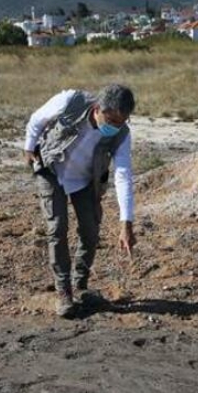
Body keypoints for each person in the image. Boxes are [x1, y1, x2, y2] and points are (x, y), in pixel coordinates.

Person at [24, 84, 137, 319]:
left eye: (121, 121)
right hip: (52, 168)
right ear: (97, 108)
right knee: (57, 228)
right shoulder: (71, 101)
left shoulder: (122, 134)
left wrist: (126, 222)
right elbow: (37, 119)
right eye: (111, 119)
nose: (115, 126)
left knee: (90, 230)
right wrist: (28, 147)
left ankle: (81, 286)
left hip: (86, 180)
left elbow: (123, 173)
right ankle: (64, 292)